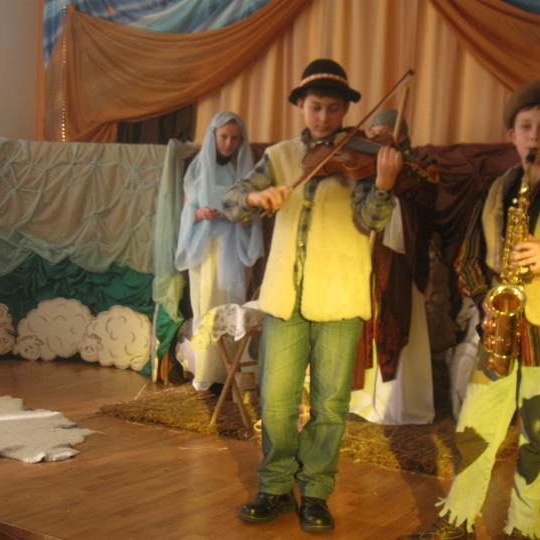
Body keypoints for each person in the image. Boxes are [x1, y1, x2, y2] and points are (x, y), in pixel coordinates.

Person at [399, 80, 540, 540]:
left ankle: (524, 526)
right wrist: (486, 296)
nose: (534, 136)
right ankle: (457, 519)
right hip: (500, 327)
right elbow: (467, 261)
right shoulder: (497, 189)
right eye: (526, 127)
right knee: (474, 427)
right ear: (511, 135)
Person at [222, 59, 403, 532]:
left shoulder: (361, 158)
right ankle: (276, 487)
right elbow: (232, 199)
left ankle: (317, 493)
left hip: (341, 295)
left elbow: (370, 220)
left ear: (345, 111)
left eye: (334, 109)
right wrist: (256, 199)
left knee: (330, 404)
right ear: (301, 105)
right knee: (276, 401)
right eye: (316, 107)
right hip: (284, 296)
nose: (324, 118)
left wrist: (383, 184)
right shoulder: (280, 156)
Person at [350, 108, 435, 425]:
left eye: (386, 136)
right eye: (373, 137)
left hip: (398, 264)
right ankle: (359, 400)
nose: (378, 143)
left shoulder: (419, 169)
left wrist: (393, 175)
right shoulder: (359, 169)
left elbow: (424, 203)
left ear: (402, 136)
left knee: (397, 322)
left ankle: (396, 405)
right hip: (362, 260)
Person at [174, 111, 263, 395]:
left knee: (231, 307)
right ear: (213, 136)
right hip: (205, 249)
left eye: (235, 138)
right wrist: (200, 214)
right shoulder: (198, 169)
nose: (228, 143)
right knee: (207, 307)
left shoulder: (244, 171)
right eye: (224, 137)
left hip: (232, 249)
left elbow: (252, 216)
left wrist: (244, 219)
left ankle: (229, 372)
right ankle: (205, 372)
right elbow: (187, 212)